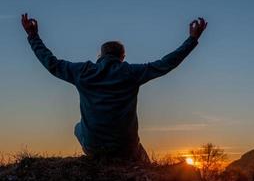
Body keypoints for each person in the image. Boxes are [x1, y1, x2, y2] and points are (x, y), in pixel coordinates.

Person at [21, 13, 207, 162]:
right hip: (126, 147)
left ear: (99, 55)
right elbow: (166, 63)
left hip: (93, 145)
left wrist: (33, 36)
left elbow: (51, 63)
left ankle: (98, 158)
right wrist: (192, 39)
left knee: (77, 127)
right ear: (122, 57)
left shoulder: (83, 72)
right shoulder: (131, 73)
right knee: (140, 154)